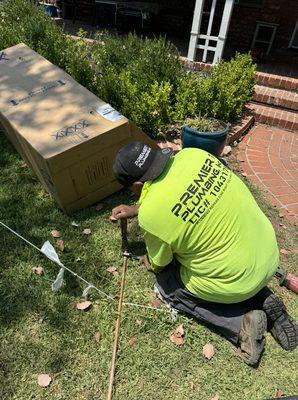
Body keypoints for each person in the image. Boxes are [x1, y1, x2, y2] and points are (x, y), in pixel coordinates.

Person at [111, 141, 297, 366]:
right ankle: (262, 296)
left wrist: (149, 259)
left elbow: (160, 263)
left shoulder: (150, 216)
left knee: (168, 285)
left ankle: (241, 325)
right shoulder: (193, 155)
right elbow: (178, 192)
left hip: (238, 278)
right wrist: (137, 210)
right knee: (226, 254)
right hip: (267, 253)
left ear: (138, 184)